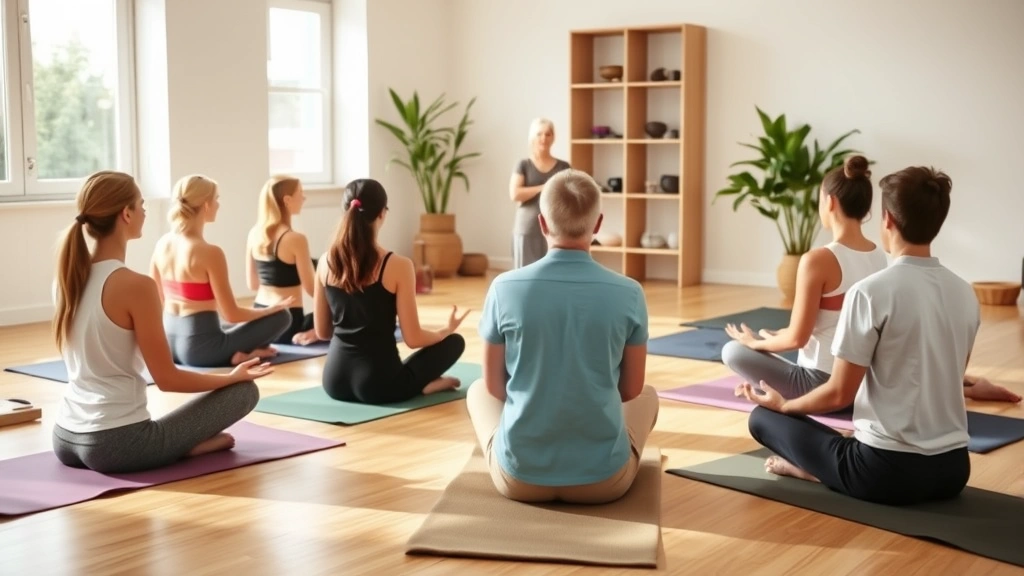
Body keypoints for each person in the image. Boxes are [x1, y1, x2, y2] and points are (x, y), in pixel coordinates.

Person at [737, 165, 978, 505]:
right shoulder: (965, 292)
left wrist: (786, 405)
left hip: (886, 473)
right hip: (954, 469)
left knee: (763, 418)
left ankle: (814, 472)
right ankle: (834, 463)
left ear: (888, 221)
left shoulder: (869, 292)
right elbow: (949, 377)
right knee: (845, 435)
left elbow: (838, 393)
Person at [723, 155, 1020, 405]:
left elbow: (798, 339)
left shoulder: (817, 260)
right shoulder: (880, 256)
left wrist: (753, 343)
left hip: (825, 384)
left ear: (830, 203)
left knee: (732, 350)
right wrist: (772, 337)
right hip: (866, 381)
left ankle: (768, 389)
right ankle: (966, 386)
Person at [51, 171, 271, 474]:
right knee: (245, 392)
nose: (144, 210)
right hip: (115, 445)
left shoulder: (66, 280)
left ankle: (178, 444)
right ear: (126, 214)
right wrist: (231, 378)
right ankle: (182, 447)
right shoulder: (136, 286)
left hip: (64, 436)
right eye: (141, 204)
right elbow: (168, 379)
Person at [468, 168, 659, 504]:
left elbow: (495, 387)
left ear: (541, 223)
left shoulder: (503, 288)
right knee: (648, 396)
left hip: (518, 479)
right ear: (597, 225)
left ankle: (513, 452)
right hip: (604, 483)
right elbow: (630, 390)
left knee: (477, 391)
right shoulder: (630, 293)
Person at [313, 178, 469, 404]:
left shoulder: (325, 262)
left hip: (334, 381)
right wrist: (445, 330)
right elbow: (413, 339)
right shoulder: (398, 265)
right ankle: (424, 385)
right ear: (382, 214)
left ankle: (420, 383)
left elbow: (322, 332)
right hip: (379, 386)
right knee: (455, 342)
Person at [150, 174, 292, 367]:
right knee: (282, 316)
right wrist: (269, 310)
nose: (218, 204)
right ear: (206, 205)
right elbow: (232, 314)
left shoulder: (162, 244)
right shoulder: (210, 252)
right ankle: (240, 355)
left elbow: (158, 299)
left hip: (170, 346)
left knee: (225, 325)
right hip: (202, 351)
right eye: (216, 199)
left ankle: (241, 353)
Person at [246, 175, 321, 346]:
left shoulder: (254, 233)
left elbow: (253, 284)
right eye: (300, 193)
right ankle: (315, 333)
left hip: (260, 318)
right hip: (288, 323)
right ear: (287, 200)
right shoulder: (295, 239)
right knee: (346, 314)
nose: (304, 197)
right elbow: (312, 290)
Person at [509, 118, 570, 268]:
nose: (544, 138)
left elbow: (568, 196)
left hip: (555, 230)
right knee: (525, 274)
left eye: (548, 134)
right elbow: (515, 194)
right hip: (527, 229)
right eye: (539, 134)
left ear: (553, 137)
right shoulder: (523, 164)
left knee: (552, 272)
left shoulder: (564, 166)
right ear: (532, 137)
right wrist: (544, 187)